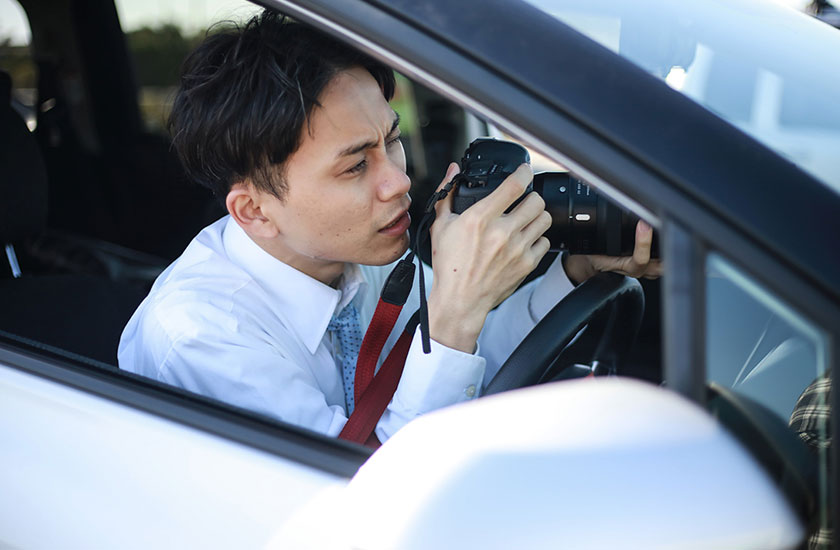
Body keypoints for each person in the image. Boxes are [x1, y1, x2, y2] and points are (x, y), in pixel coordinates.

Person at [118, 11, 659, 443]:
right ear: (255, 211)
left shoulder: (360, 254)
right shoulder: (202, 337)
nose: (398, 181)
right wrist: (453, 312)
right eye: (356, 165)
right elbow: (360, 500)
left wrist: (576, 273)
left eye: (392, 140)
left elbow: (467, 363)